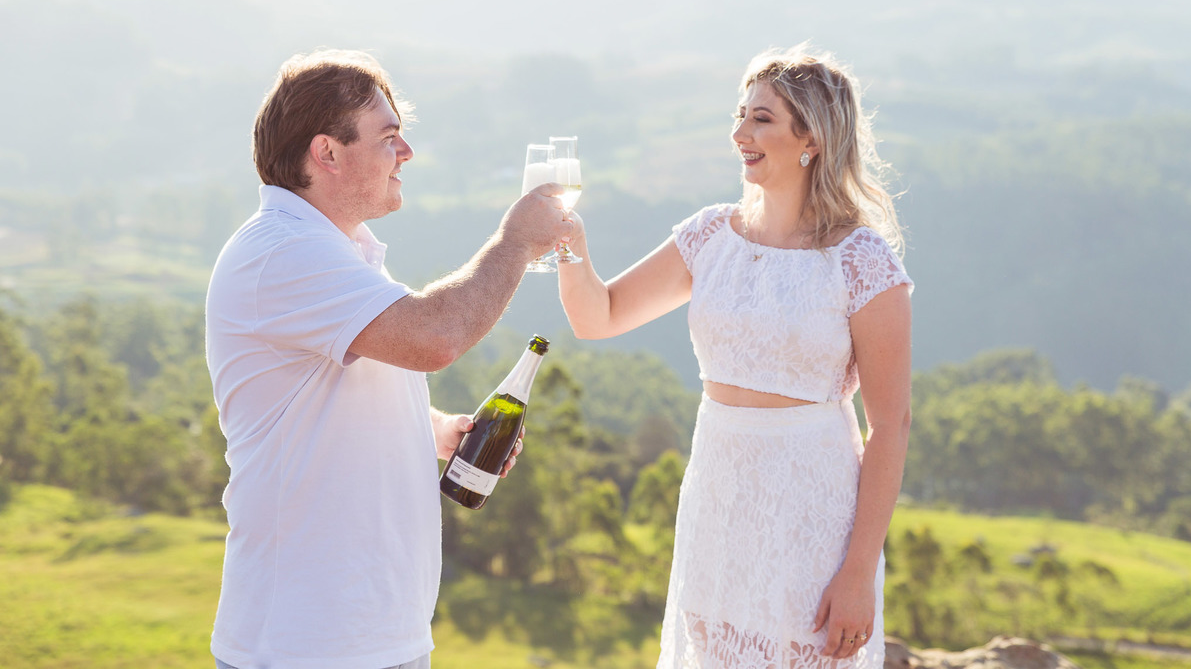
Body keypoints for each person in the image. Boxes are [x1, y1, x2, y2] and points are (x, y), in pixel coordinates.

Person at [205, 48, 571, 669]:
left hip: (374, 638)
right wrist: (517, 240)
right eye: (390, 138)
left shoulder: (336, 251)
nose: (406, 154)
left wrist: (438, 431)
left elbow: (333, 390)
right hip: (308, 646)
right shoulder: (283, 253)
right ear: (327, 152)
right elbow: (435, 338)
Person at [557, 44, 913, 668]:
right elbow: (599, 316)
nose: (739, 133)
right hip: (718, 507)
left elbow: (891, 426)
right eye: (741, 115)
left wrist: (859, 571)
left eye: (762, 119)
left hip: (813, 514)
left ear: (815, 138)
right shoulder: (708, 236)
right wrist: (567, 243)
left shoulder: (861, 261)